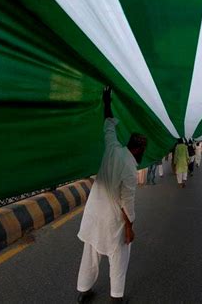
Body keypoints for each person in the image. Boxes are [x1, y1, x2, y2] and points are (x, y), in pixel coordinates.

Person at [77, 86, 147, 303]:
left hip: (93, 212)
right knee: (119, 257)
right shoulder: (129, 168)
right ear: (138, 149)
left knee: (90, 253)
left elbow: (108, 125)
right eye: (144, 149)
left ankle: (83, 290)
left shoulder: (113, 148)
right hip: (112, 220)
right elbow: (127, 201)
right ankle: (116, 297)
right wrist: (130, 227)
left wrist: (107, 101)